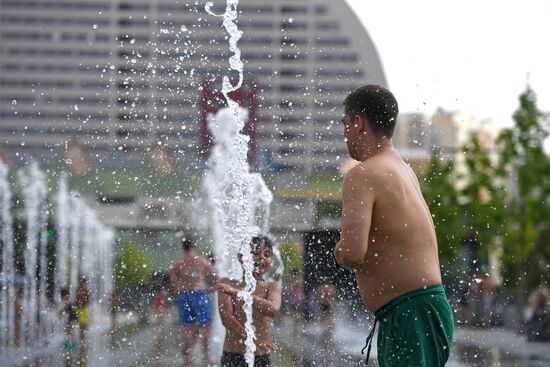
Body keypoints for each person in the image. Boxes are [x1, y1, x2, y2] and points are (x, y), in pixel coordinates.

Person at [334, 85, 454, 366]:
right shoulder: (402, 169)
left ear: (358, 123)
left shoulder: (363, 174)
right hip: (421, 310)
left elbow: (352, 253)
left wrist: (337, 251)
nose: (344, 133)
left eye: (345, 124)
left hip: (411, 313)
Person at [214, 236, 282, 367]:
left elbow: (272, 309)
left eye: (267, 254)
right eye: (256, 253)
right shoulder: (226, 283)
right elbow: (227, 319)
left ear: (271, 260)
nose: (262, 257)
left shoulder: (273, 287)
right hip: (233, 356)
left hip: (261, 357)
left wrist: (237, 293)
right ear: (241, 257)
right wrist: (253, 340)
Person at [170, 235, 217, 366]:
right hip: (199, 294)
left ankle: (188, 358)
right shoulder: (201, 261)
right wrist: (214, 287)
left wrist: (176, 293)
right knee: (207, 325)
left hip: (184, 295)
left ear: (183, 247)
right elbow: (214, 275)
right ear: (194, 246)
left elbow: (173, 280)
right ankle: (206, 355)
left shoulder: (179, 262)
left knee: (188, 327)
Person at [75, 276, 91, 344]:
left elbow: (88, 299)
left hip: (85, 308)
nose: (83, 284)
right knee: (81, 324)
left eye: (84, 283)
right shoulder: (78, 289)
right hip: (80, 308)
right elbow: (76, 299)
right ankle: (81, 337)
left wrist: (84, 299)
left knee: (85, 324)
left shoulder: (86, 290)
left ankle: (83, 336)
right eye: (82, 282)